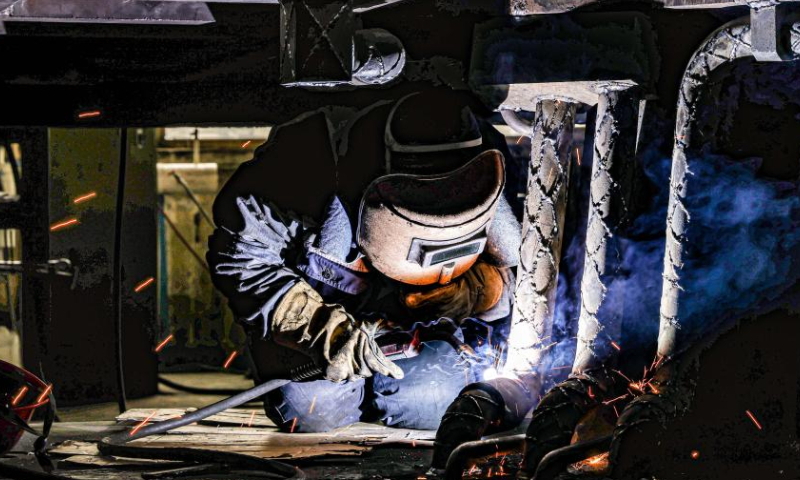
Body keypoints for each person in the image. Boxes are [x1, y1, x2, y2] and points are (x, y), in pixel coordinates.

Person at [207, 88, 521, 432]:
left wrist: (482, 289)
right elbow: (239, 257)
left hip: (416, 330)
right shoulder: (305, 167)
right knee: (311, 409)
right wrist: (320, 329)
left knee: (427, 398)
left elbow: (528, 269)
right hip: (322, 321)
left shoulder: (487, 160)